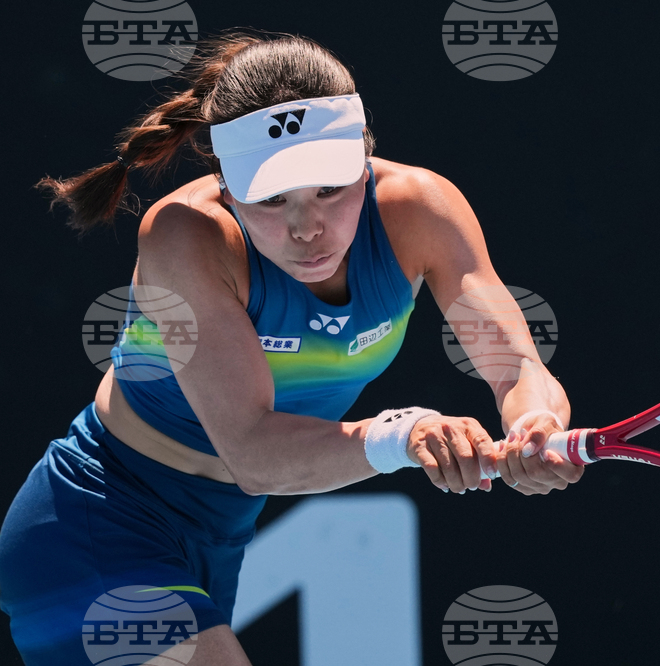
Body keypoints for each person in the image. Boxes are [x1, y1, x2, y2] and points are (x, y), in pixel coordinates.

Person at [0, 30, 583, 665]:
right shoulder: (185, 237)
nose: (307, 228)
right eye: (274, 200)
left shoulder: (421, 210)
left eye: (330, 190)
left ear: (365, 160)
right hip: (96, 522)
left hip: (218, 540)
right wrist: (405, 433)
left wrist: (534, 423)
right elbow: (252, 450)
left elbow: (518, 366)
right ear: (226, 185)